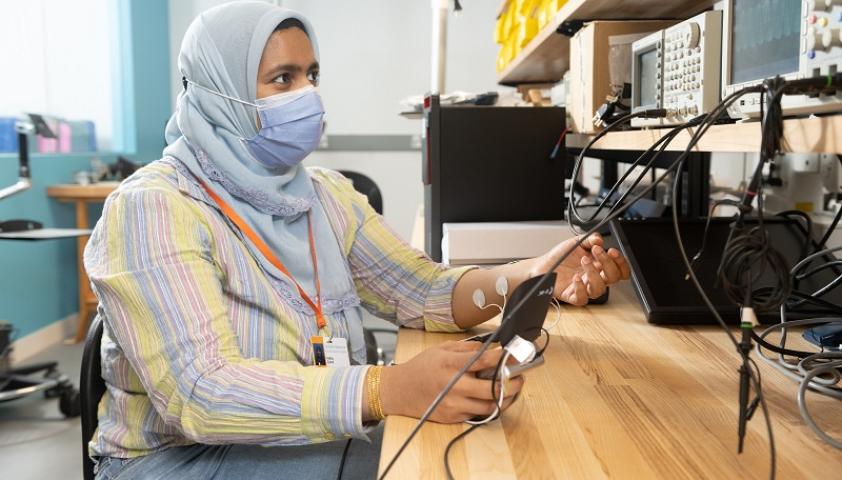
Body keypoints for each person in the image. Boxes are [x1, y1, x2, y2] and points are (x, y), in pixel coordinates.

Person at [84, 3, 630, 479]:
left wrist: (529, 278)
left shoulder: (323, 195)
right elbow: (201, 394)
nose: (308, 95)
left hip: (303, 439)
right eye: (282, 79)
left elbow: (421, 290)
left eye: (312, 75)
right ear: (217, 92)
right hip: (179, 459)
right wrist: (384, 390)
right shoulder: (152, 207)